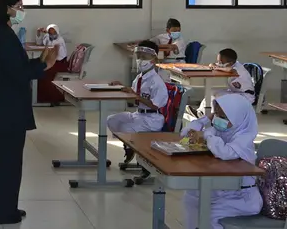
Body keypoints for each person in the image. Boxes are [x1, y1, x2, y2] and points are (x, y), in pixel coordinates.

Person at [0, 0, 56, 225]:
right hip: (7, 112)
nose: (22, 10)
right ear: (7, 7)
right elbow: (18, 74)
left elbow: (16, 66)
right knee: (6, 163)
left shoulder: (4, 32)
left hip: (3, 109)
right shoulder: (3, 35)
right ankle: (0, 211)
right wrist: (45, 66)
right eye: (19, 6)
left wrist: (39, 61)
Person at [180, 94, 263, 229]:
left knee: (208, 215)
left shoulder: (244, 138)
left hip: (242, 198)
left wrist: (206, 135)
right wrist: (206, 119)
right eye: (217, 115)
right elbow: (185, 133)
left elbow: (225, 152)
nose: (218, 120)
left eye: (223, 117)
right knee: (191, 196)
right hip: (224, 191)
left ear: (238, 118)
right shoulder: (222, 130)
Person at [106, 41, 169, 171]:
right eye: (138, 56)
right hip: (139, 114)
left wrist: (137, 96)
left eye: (144, 57)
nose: (140, 60)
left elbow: (155, 106)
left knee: (126, 128)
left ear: (154, 60)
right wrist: (122, 86)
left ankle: (143, 159)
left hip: (152, 119)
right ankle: (130, 148)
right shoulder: (140, 77)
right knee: (111, 120)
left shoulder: (157, 82)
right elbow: (135, 92)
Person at [187, 48, 255, 119]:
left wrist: (217, 68)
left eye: (221, 62)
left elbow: (231, 71)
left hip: (245, 96)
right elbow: (212, 64)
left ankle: (211, 116)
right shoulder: (228, 64)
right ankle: (200, 112)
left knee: (219, 98)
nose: (219, 63)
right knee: (213, 92)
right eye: (218, 61)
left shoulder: (238, 68)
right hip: (235, 92)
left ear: (230, 63)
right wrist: (215, 65)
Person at [35, 24, 69, 104]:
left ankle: (56, 98)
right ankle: (42, 98)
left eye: (53, 32)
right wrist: (38, 33)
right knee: (40, 72)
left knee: (44, 74)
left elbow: (52, 45)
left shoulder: (60, 39)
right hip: (52, 62)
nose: (51, 34)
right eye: (50, 32)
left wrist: (46, 33)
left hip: (60, 63)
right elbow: (39, 43)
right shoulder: (48, 38)